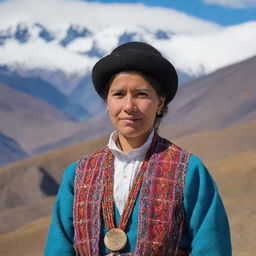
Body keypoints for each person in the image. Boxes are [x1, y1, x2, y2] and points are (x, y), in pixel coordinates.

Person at [45, 42, 232, 256]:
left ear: (160, 103)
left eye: (141, 94)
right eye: (118, 94)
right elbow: (58, 248)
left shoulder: (189, 171)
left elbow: (213, 247)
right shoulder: (78, 174)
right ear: (107, 102)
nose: (128, 106)